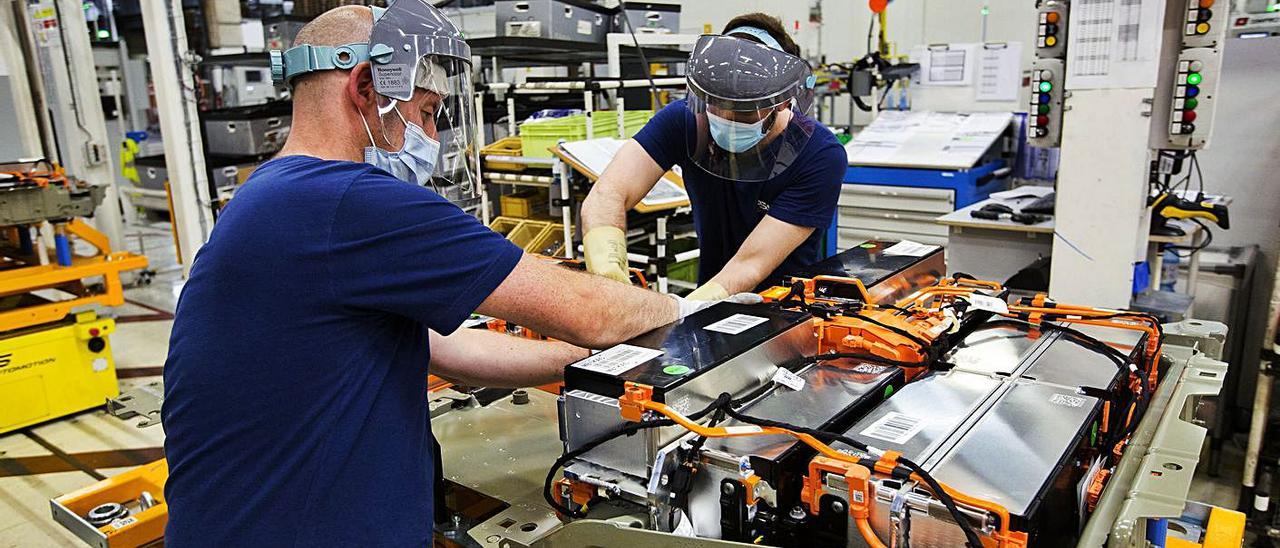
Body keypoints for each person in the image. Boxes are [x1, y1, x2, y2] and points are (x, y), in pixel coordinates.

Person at [161, 2, 722, 545]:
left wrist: (592, 366)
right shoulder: (348, 201)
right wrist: (688, 311)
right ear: (362, 87)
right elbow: (589, 311)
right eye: (426, 112)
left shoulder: (267, 195)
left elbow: (442, 348)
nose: (429, 136)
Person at [581, 13, 847, 301]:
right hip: (710, 298)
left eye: (744, 109)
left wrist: (678, 313)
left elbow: (750, 265)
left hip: (787, 309)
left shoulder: (820, 154)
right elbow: (609, 193)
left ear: (782, 100)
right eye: (715, 102)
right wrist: (608, 270)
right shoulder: (686, 121)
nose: (725, 117)